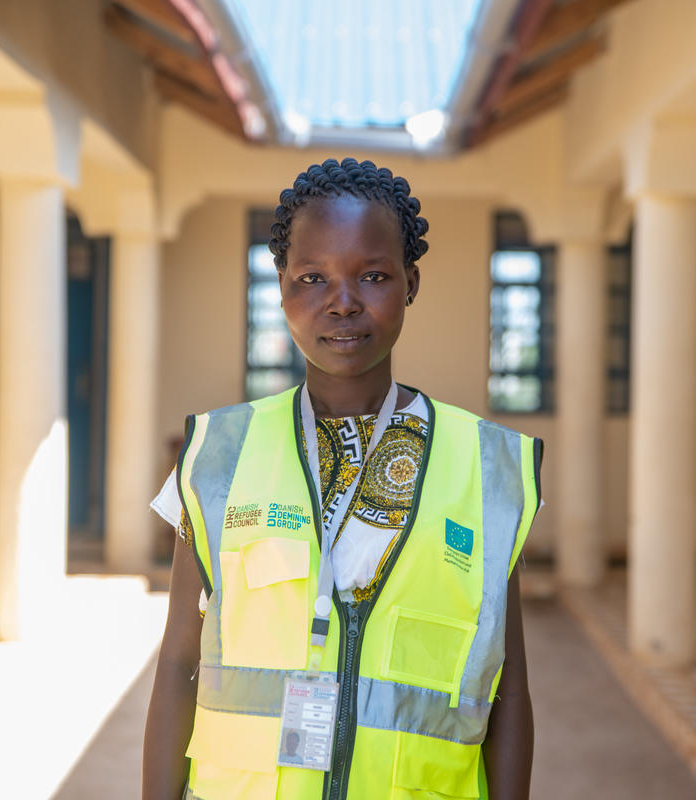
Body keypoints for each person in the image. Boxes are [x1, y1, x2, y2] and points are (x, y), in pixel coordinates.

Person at [142, 157, 538, 800]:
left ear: (410, 283)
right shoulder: (223, 453)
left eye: (373, 276)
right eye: (312, 277)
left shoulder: (483, 464)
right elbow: (180, 659)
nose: (343, 301)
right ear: (281, 287)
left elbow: (509, 684)